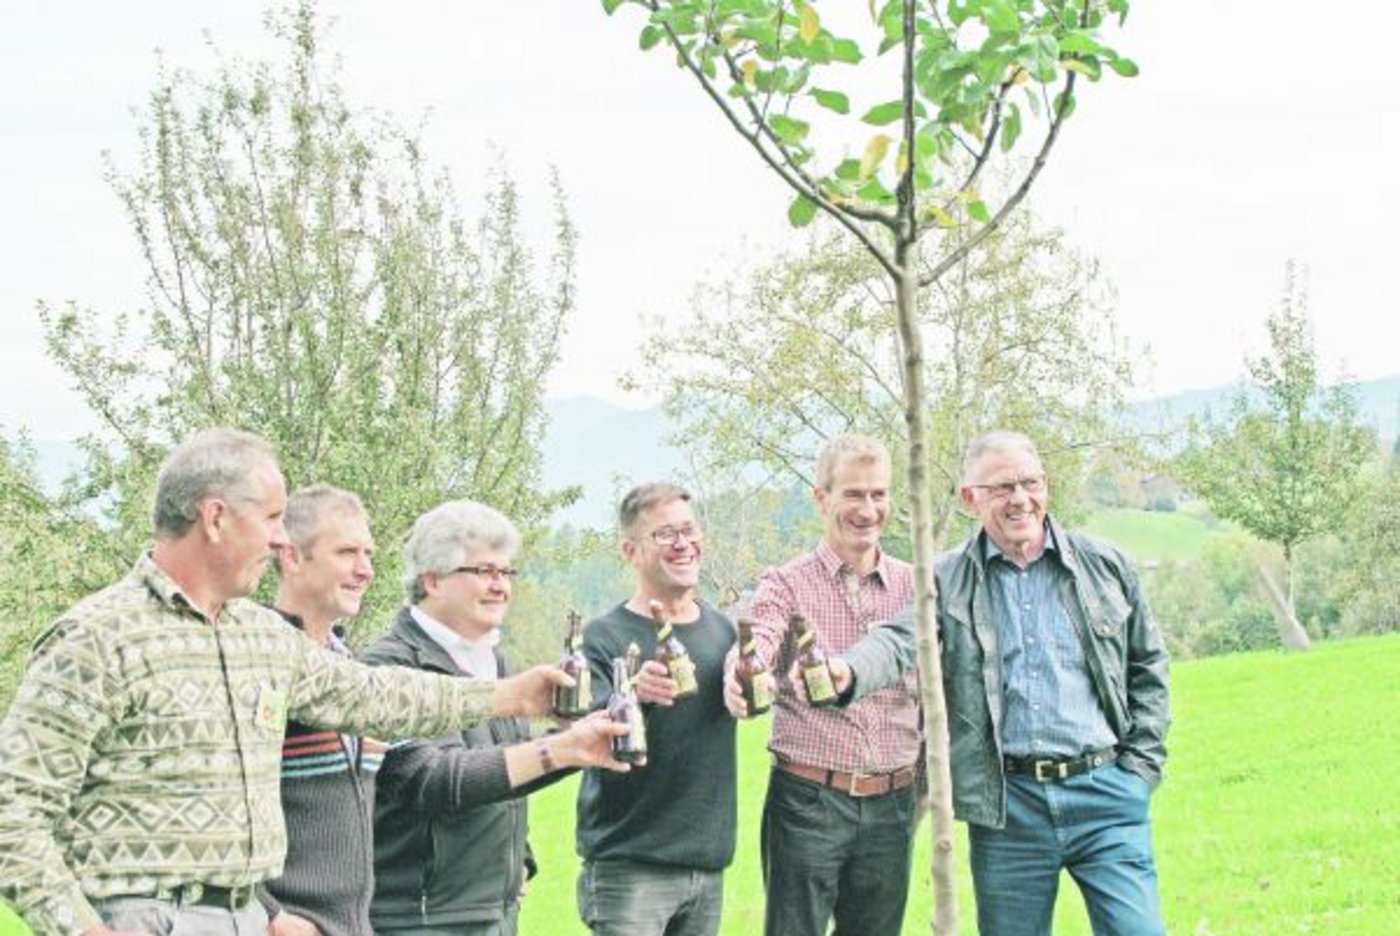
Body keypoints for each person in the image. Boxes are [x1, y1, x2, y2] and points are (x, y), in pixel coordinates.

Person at [0, 428, 581, 936]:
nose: (282, 541)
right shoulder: (97, 638)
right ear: (216, 518)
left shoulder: (261, 636)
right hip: (149, 916)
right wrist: (80, 928)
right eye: (273, 518)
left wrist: (510, 695)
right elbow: (13, 809)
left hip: (247, 917)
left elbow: (374, 695)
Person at [933, 430, 1170, 936]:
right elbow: (897, 648)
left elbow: (1148, 667)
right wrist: (843, 674)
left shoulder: (1105, 565)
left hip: (1106, 794)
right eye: (1002, 488)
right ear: (969, 498)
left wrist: (1140, 770)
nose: (1020, 499)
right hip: (1009, 810)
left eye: (1030, 483)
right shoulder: (944, 581)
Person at [361, 500, 627, 936]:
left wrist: (519, 856)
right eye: (484, 572)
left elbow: (501, 765)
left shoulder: (494, 661)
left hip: (495, 914)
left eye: (507, 573)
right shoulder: (388, 670)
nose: (501, 586)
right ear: (432, 579)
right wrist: (562, 749)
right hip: (418, 919)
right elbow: (433, 779)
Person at [730, 434, 921, 936]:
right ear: (821, 497)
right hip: (809, 799)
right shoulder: (787, 583)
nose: (868, 509)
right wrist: (745, 668)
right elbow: (761, 636)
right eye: (853, 494)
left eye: (878, 494)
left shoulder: (915, 587)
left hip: (894, 801)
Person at [573, 483, 735, 936]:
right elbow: (584, 732)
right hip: (629, 868)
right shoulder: (603, 637)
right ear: (631, 550)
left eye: (688, 530)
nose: (683, 543)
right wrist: (632, 696)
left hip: (707, 867)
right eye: (665, 534)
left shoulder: (724, 633)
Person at [259, 484, 381, 936]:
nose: (365, 570)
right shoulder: (257, 666)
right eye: (347, 552)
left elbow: (422, 779)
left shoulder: (349, 667)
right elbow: (204, 800)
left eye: (368, 554)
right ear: (291, 557)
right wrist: (269, 912)